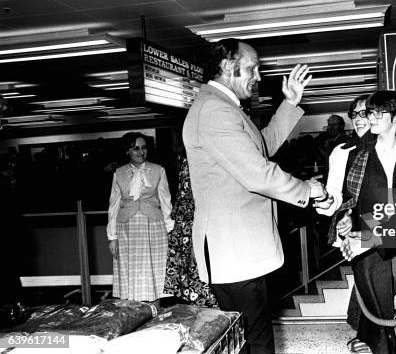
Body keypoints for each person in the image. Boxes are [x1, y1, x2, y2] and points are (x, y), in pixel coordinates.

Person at [182, 38, 326, 354]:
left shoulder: (224, 108)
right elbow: (257, 172)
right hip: (234, 249)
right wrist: (305, 190)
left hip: (240, 248)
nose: (258, 76)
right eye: (252, 67)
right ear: (226, 66)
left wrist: (289, 103)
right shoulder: (214, 111)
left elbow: (261, 146)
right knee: (255, 339)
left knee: (248, 336)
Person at [335, 90, 396, 354]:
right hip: (371, 249)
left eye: (378, 112)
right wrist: (346, 217)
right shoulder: (359, 154)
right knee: (379, 321)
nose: (371, 117)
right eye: (369, 112)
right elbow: (351, 198)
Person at [314, 94, 372, 353]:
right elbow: (335, 194)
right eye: (355, 114)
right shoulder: (343, 151)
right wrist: (324, 203)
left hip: (387, 224)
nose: (360, 119)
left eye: (366, 113)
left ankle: (374, 333)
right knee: (364, 276)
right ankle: (369, 332)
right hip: (354, 227)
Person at [107, 132, 174, 301]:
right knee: (132, 271)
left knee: (154, 271)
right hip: (126, 228)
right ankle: (133, 311)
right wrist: (112, 237)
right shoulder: (118, 173)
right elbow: (114, 206)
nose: (141, 152)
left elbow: (166, 202)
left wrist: (170, 231)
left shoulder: (159, 170)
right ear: (127, 151)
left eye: (143, 148)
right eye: (135, 148)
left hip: (154, 226)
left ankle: (156, 311)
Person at [164, 154, 217, 307]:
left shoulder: (208, 156)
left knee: (202, 269)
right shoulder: (186, 160)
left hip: (202, 220)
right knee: (187, 271)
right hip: (186, 222)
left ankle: (211, 307)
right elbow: (182, 193)